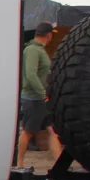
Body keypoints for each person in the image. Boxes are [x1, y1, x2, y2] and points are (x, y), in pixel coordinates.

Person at [17, 22, 61, 168]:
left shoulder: (39, 50)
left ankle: (59, 164)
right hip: (34, 99)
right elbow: (31, 74)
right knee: (28, 132)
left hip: (42, 100)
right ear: (48, 35)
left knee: (52, 131)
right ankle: (19, 164)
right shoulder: (32, 50)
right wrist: (42, 94)